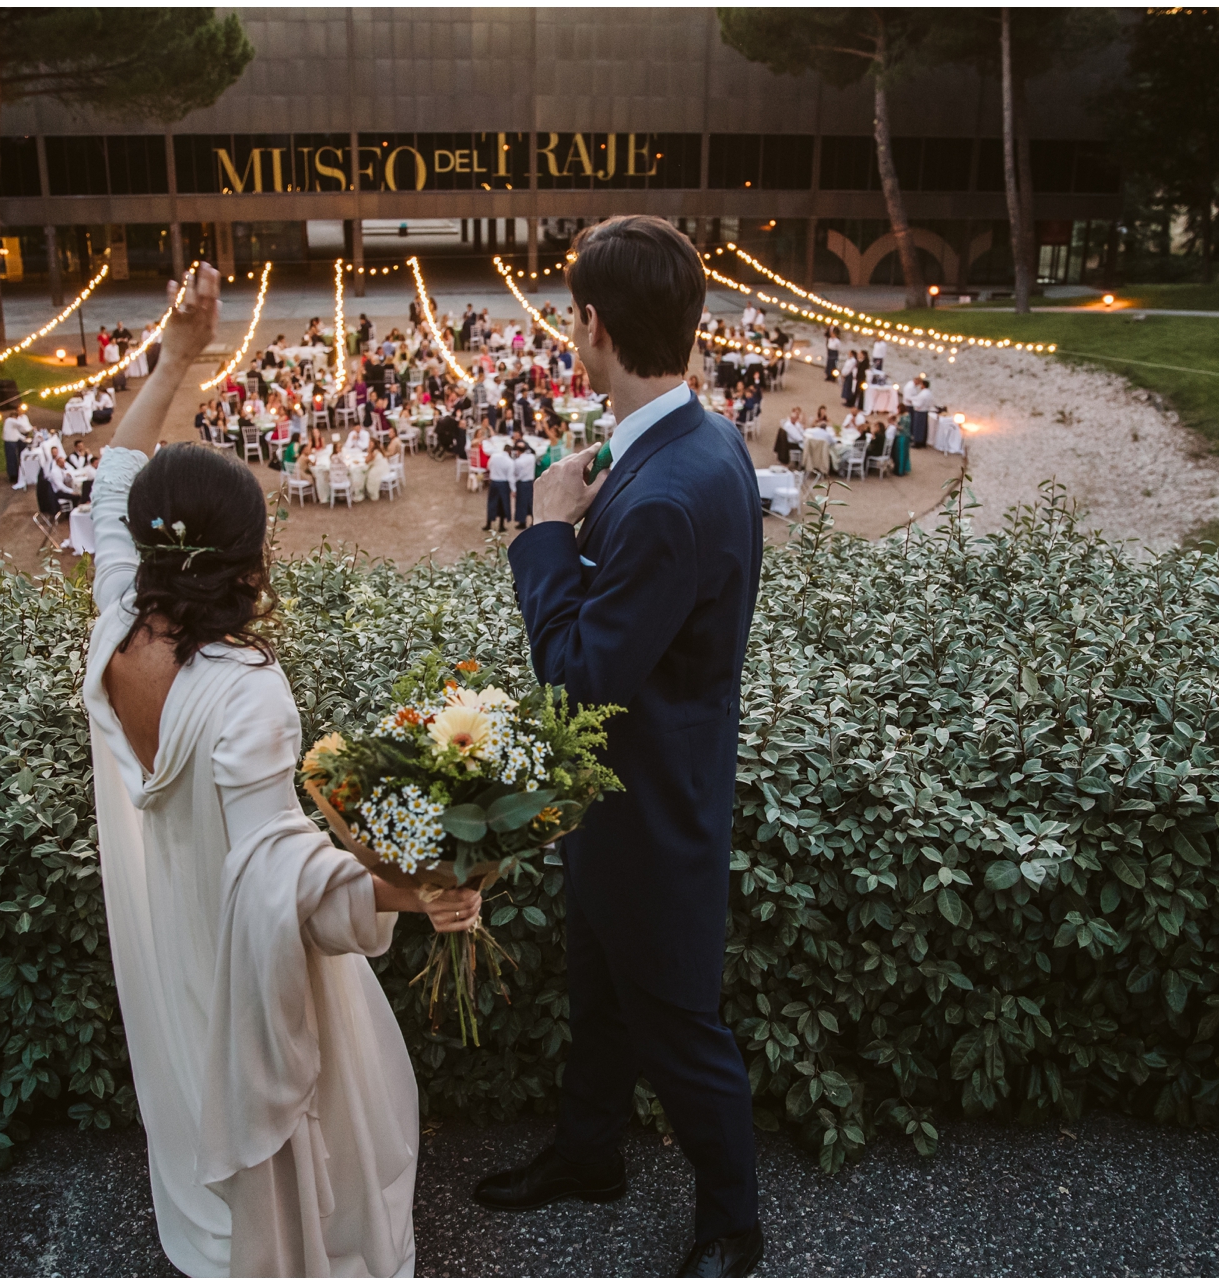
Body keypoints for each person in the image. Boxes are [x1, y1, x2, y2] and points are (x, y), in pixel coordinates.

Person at [80, 264, 478, 1277]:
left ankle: (207, 1227)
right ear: (248, 562)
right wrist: (417, 890)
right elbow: (284, 880)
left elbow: (113, 478)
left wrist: (178, 352)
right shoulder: (246, 690)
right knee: (348, 1130)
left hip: (169, 912)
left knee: (180, 1056)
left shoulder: (117, 619)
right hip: (238, 946)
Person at [481, 216, 764, 1279]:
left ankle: (732, 1222)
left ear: (591, 326)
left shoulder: (669, 495)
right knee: (598, 996)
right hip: (623, 803)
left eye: (571, 315)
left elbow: (578, 683)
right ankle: (588, 1154)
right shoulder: (702, 440)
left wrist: (547, 530)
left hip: (650, 811)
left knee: (679, 1025)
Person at [483, 428, 515, 531]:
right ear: (510, 452)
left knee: (491, 503)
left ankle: (488, 524)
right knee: (503, 504)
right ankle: (501, 525)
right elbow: (511, 477)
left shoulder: (494, 456)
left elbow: (488, 467)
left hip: (494, 482)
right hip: (504, 484)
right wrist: (513, 490)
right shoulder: (510, 462)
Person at [363, 424, 401, 501]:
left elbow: (367, 461)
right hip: (385, 465)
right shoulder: (378, 450)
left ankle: (369, 491)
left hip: (385, 464)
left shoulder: (375, 452)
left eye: (391, 432)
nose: (389, 434)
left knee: (369, 473)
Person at [506, 433, 536, 528]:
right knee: (530, 502)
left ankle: (522, 522)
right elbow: (532, 451)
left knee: (521, 503)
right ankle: (533, 520)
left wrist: (513, 486)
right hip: (530, 482)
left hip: (522, 483)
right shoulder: (531, 457)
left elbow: (516, 474)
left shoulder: (518, 462)